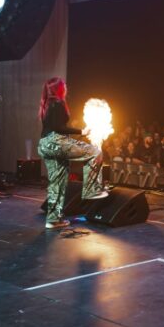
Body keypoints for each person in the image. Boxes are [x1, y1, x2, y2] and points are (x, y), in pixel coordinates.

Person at [36, 77, 106, 229]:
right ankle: (91, 190)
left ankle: (53, 220)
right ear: (59, 89)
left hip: (45, 144)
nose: (66, 87)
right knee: (94, 152)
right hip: (55, 142)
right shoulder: (58, 103)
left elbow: (54, 127)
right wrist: (81, 131)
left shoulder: (47, 104)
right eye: (64, 85)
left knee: (57, 183)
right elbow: (59, 128)